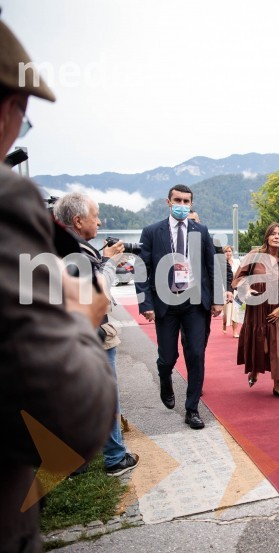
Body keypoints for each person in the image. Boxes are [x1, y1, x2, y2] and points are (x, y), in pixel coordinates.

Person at [0, 18, 117, 552]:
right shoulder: (10, 201)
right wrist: (79, 321)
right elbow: (67, 418)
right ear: (9, 107)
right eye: (24, 123)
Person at [53, 193, 140, 476]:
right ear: (78, 221)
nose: (100, 222)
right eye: (96, 216)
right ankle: (115, 457)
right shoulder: (79, 252)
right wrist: (111, 262)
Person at [135, 184, 222, 430]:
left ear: (191, 204)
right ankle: (165, 377)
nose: (182, 205)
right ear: (168, 202)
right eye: (178, 200)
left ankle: (192, 409)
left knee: (196, 353)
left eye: (186, 201)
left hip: (195, 303)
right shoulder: (152, 232)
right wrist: (145, 303)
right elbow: (142, 269)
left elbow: (212, 266)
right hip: (166, 302)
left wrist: (217, 299)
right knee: (168, 357)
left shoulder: (201, 231)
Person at [233, 222, 279, 395]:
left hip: (277, 310)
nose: (276, 237)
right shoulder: (254, 255)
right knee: (261, 346)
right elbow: (239, 277)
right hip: (257, 308)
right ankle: (254, 370)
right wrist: (246, 289)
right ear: (267, 237)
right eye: (273, 234)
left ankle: (277, 385)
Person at [222, 245, 241, 337]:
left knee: (235, 310)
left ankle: (235, 331)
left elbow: (241, 274)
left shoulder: (237, 262)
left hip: (236, 289)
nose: (228, 253)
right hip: (225, 289)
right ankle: (224, 323)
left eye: (229, 251)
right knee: (226, 311)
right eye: (226, 251)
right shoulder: (221, 263)